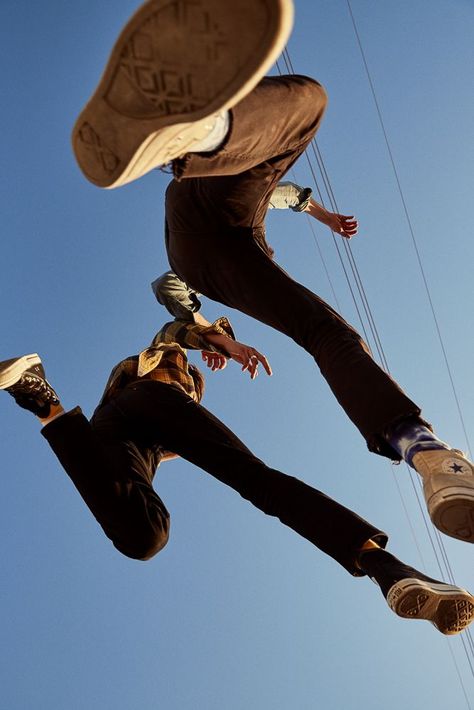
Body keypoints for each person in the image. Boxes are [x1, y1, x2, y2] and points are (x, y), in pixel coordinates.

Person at [71, 0, 474, 544]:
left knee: (306, 109)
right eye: (191, 378)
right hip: (219, 236)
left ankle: (195, 135)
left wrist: (211, 337)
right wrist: (319, 212)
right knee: (322, 324)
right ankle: (423, 450)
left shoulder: (154, 356)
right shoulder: (190, 326)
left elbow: (169, 289)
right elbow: (271, 189)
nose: (192, 375)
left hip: (203, 243)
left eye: (188, 376)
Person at [1, 318, 473, 636]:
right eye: (193, 384)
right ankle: (385, 568)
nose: (195, 384)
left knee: (144, 536)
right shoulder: (158, 363)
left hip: (109, 435)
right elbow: (176, 329)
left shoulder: (140, 409)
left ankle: (41, 398)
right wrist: (220, 341)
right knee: (258, 482)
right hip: (145, 407)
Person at [151, 180, 357, 322]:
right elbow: (291, 194)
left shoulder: (215, 268)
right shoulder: (246, 213)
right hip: (206, 195)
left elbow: (167, 287)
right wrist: (328, 218)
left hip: (192, 206)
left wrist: (210, 335)